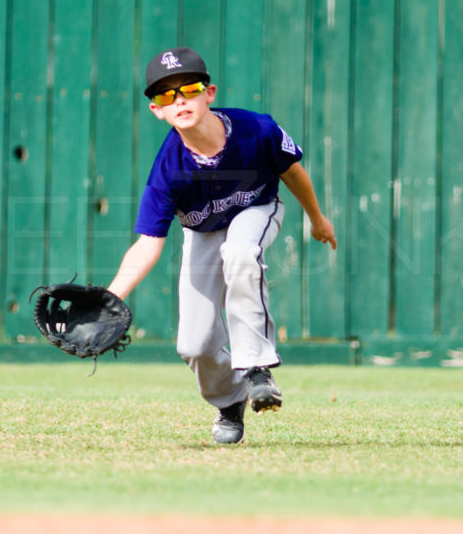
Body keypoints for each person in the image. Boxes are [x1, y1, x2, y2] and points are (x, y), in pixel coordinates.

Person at [106, 47, 337, 444]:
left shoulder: (256, 130)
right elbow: (148, 243)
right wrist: (111, 299)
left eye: (188, 88)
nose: (178, 100)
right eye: (164, 95)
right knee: (193, 344)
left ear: (209, 92)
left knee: (241, 252)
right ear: (156, 110)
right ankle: (230, 402)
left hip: (258, 207)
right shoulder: (168, 170)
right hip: (203, 233)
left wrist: (317, 218)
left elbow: (293, 173)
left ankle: (257, 367)